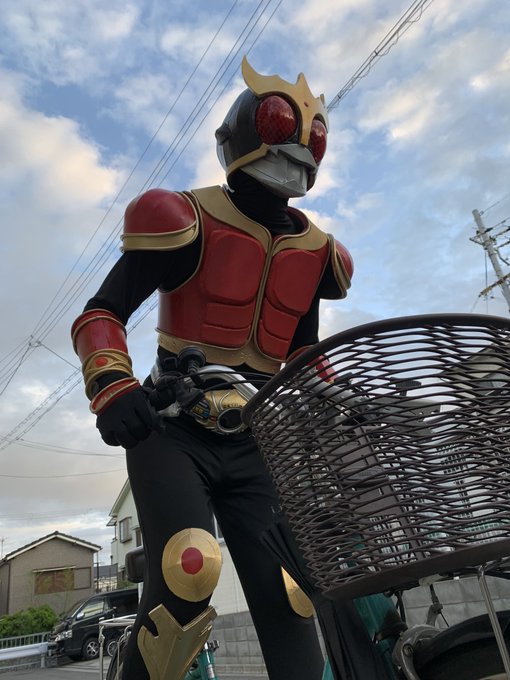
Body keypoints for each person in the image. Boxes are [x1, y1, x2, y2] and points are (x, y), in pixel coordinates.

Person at [71, 57, 353, 680]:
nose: (297, 145)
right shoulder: (184, 217)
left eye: (312, 134)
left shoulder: (319, 254)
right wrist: (113, 385)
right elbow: (102, 312)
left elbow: (303, 354)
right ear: (239, 137)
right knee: (187, 570)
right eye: (278, 122)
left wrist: (337, 404)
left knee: (291, 591)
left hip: (260, 435)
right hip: (172, 425)